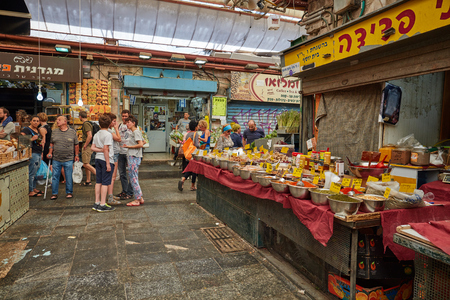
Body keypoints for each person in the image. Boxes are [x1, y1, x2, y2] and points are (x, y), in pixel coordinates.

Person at [47, 115, 79, 200]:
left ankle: (69, 192)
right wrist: (50, 152)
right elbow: (51, 144)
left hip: (68, 158)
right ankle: (54, 193)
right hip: (56, 158)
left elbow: (76, 145)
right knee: (55, 176)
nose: (57, 121)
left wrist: (76, 155)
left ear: (65, 122)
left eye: (59, 120)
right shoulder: (54, 132)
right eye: (57, 120)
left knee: (68, 176)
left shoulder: (72, 132)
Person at [90, 114, 115, 212]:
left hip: (98, 159)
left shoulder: (96, 134)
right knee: (105, 182)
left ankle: (96, 202)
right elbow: (106, 149)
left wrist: (99, 150)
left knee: (98, 181)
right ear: (109, 124)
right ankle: (103, 203)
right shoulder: (108, 134)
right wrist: (108, 163)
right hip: (106, 159)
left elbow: (92, 148)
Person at [122, 115, 144, 207]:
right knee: (133, 177)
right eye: (126, 122)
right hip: (133, 156)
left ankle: (137, 198)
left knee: (133, 178)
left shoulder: (136, 132)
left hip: (134, 156)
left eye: (128, 122)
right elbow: (143, 141)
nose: (127, 124)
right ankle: (139, 198)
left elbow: (141, 144)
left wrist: (129, 147)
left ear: (133, 123)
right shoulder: (135, 132)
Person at [21, 115, 45, 197]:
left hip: (38, 152)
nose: (36, 122)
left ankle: (34, 188)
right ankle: (30, 191)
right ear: (30, 121)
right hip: (32, 153)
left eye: (37, 121)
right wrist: (32, 139)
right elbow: (21, 142)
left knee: (35, 172)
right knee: (31, 172)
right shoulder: (26, 130)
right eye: (34, 120)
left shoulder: (37, 130)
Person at [114, 110, 133, 201]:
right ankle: (124, 191)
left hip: (129, 153)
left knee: (131, 173)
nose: (124, 118)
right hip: (121, 152)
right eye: (123, 116)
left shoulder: (132, 126)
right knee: (122, 173)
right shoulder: (120, 126)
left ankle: (130, 192)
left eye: (126, 116)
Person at [178, 120, 199, 192]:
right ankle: (192, 185)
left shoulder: (187, 134)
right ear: (196, 127)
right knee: (194, 170)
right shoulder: (196, 134)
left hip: (187, 154)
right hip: (193, 154)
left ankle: (183, 179)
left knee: (190, 169)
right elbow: (196, 145)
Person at [106, 113, 122, 205]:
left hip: (113, 154)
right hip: (113, 154)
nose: (116, 123)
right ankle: (110, 197)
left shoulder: (107, 131)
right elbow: (119, 139)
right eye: (114, 121)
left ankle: (110, 195)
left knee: (112, 177)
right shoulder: (109, 131)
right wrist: (116, 129)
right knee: (112, 177)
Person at [79, 111, 96, 186]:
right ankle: (88, 180)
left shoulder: (86, 124)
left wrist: (85, 145)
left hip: (87, 146)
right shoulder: (88, 123)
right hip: (89, 145)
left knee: (85, 164)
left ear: (80, 117)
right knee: (87, 162)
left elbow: (90, 135)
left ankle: (99, 176)